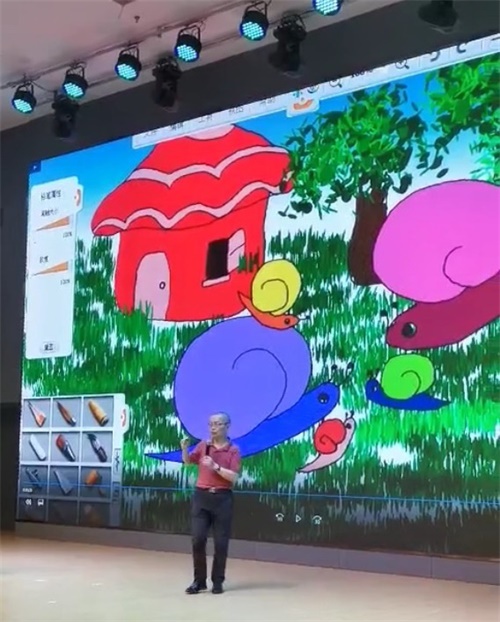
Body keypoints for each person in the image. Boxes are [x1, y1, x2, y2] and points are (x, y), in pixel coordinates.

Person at [181, 412, 241, 595]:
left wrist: (216, 467)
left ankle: (217, 581)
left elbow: (234, 477)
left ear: (227, 426)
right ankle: (199, 581)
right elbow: (188, 462)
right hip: (202, 497)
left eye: (217, 424)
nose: (213, 428)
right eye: (210, 424)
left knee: (221, 543)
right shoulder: (203, 446)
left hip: (222, 498)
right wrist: (184, 449)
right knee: (198, 539)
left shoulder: (233, 450)